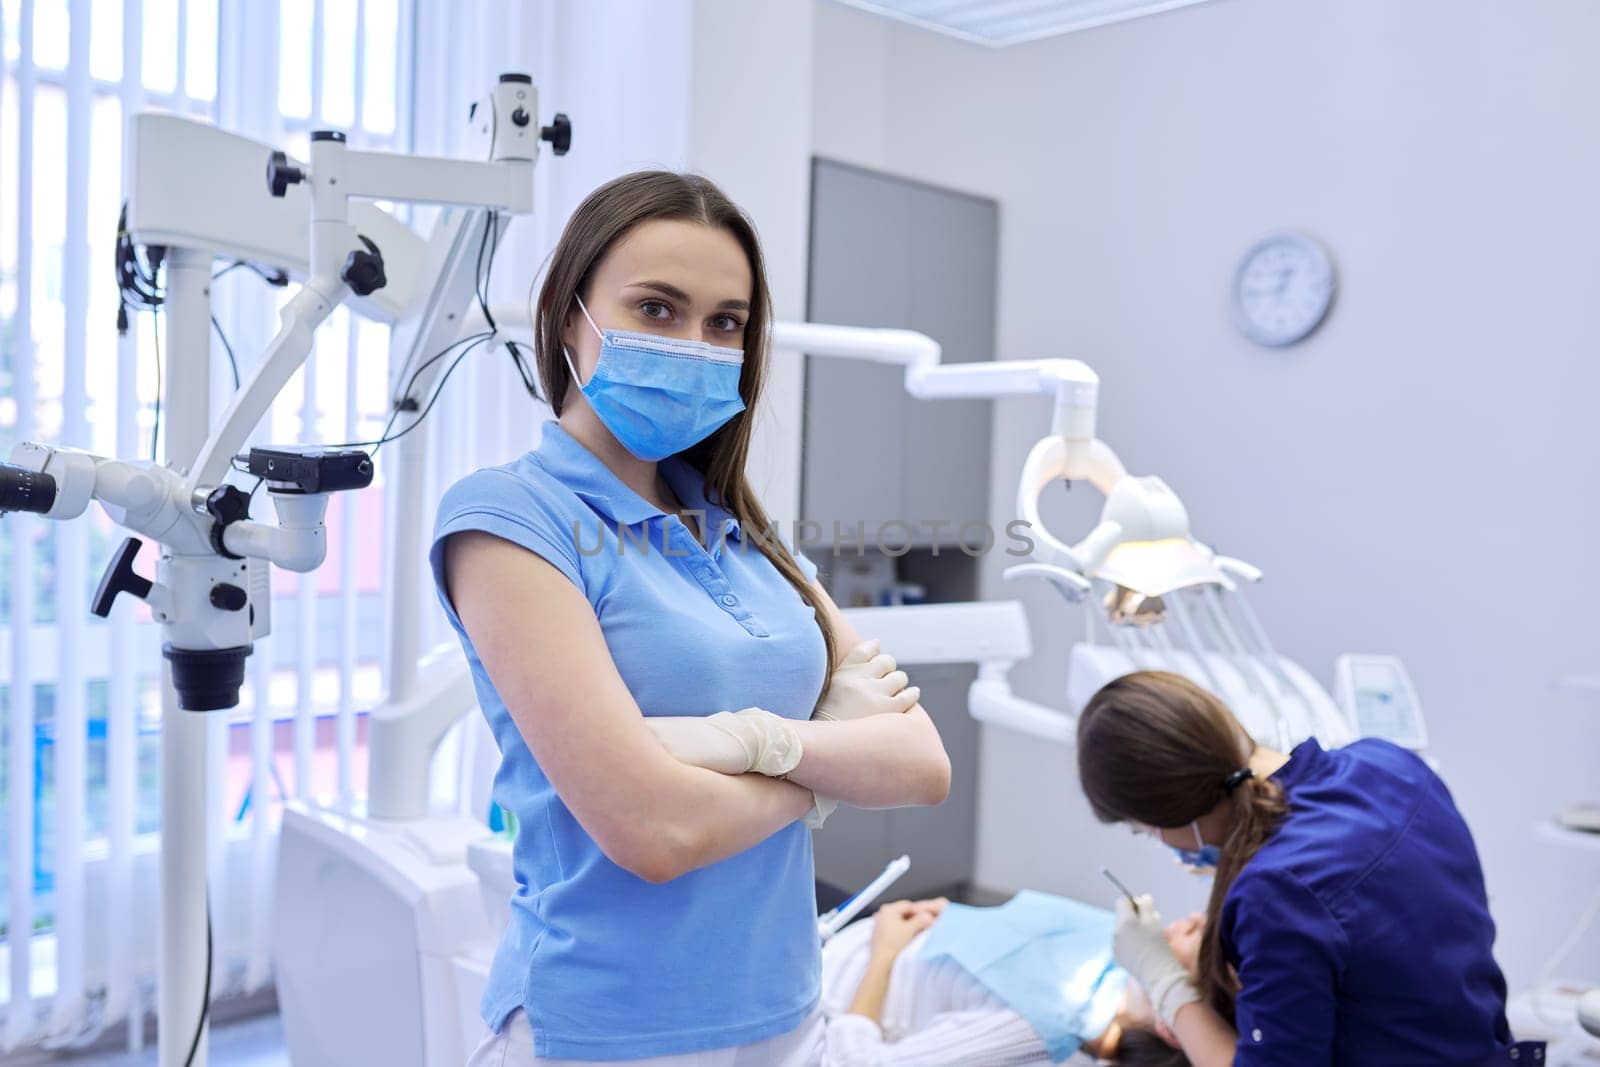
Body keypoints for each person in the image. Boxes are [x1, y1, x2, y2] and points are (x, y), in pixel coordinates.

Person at [435, 170, 952, 1064]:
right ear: (568, 317)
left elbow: (920, 763)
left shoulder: (741, 527)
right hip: (612, 1030)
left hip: (791, 1014)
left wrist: (744, 740)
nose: (696, 343)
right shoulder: (510, 518)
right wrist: (827, 763)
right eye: (656, 309)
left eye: (725, 322)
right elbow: (655, 832)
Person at [1074, 670, 1520, 1066]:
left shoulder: (1274, 892)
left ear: (1171, 814)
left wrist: (1164, 980)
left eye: (1142, 831)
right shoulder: (1389, 763)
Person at [812, 895, 1193, 1065]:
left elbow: (854, 1062)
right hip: (862, 939)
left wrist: (885, 952)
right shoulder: (1116, 948)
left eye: (1206, 944)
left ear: (1171, 1025)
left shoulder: (1040, 1025)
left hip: (823, 990)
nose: (1194, 920)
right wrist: (959, 918)